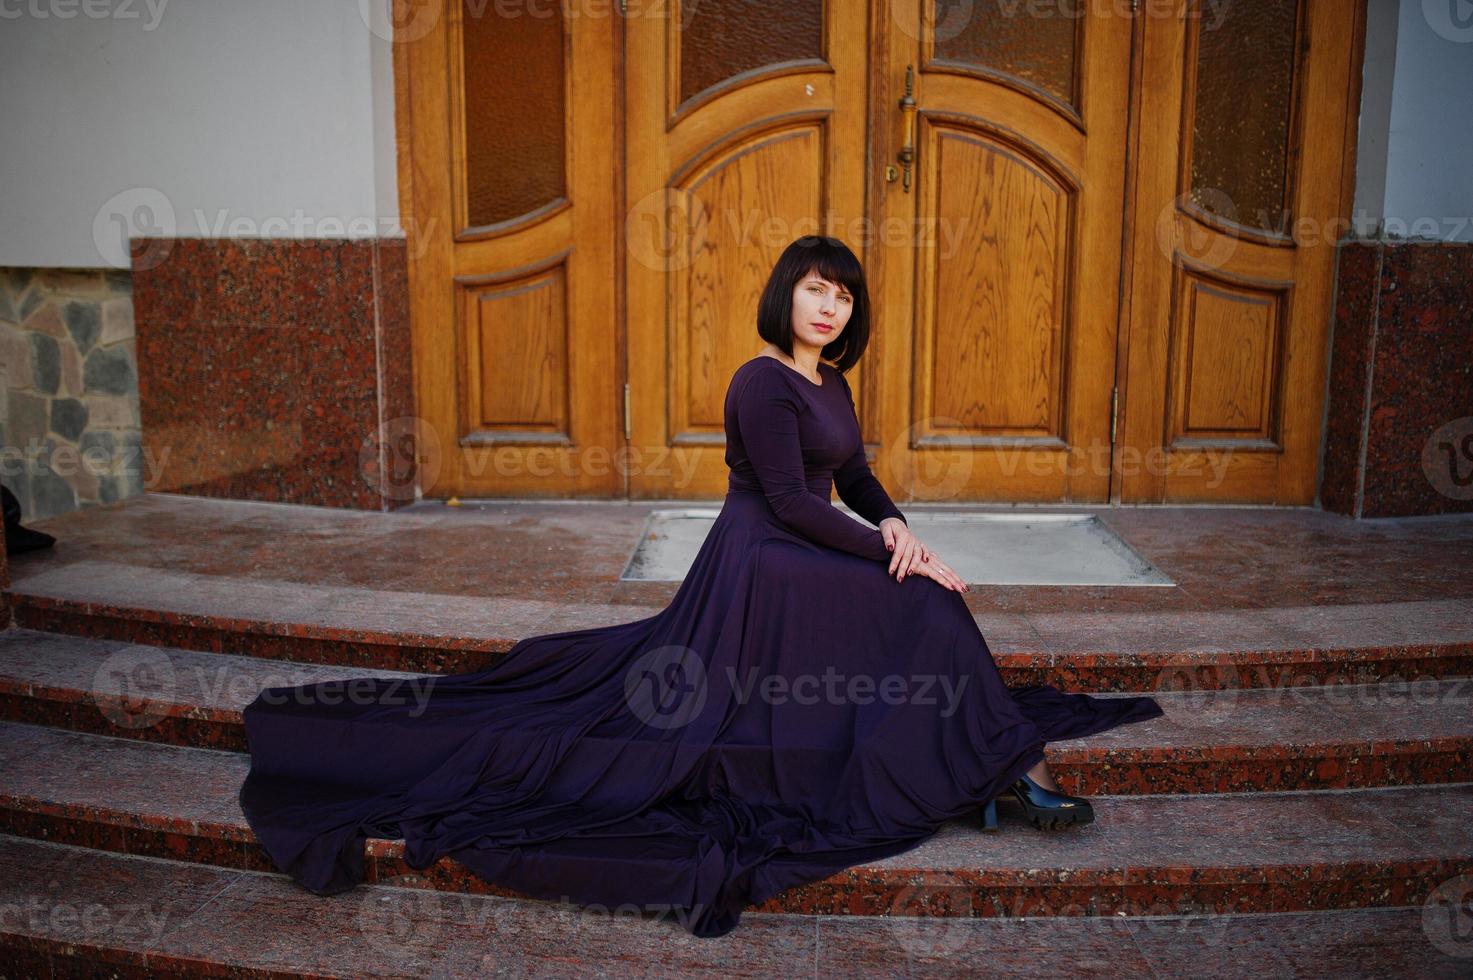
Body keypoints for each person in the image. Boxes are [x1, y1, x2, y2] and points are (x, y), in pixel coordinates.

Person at [238, 235, 1163, 938]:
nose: (829, 307)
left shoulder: (832, 383)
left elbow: (856, 482)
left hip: (803, 545)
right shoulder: (759, 384)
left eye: (842, 296)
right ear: (785, 296)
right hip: (759, 557)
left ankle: (1001, 773)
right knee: (916, 601)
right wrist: (896, 561)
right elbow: (796, 506)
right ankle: (1007, 772)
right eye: (814, 290)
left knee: (921, 593)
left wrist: (901, 530)